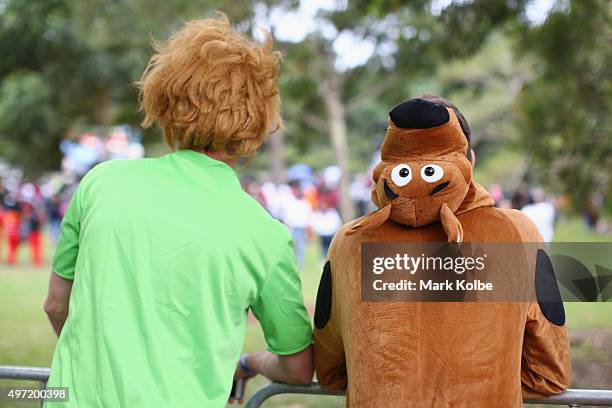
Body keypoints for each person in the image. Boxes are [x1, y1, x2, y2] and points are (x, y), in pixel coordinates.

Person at [44, 15, 313, 408]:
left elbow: (56, 305)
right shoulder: (265, 234)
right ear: (257, 119)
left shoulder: (101, 183)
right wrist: (249, 362)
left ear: (165, 97)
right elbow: (297, 368)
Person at [313, 96, 570, 407]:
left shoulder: (349, 242)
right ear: (470, 160)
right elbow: (549, 374)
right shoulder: (516, 234)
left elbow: (330, 370)